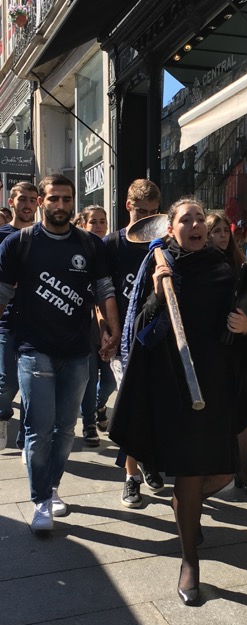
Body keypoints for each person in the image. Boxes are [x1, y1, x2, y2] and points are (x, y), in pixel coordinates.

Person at [109, 196, 247, 605]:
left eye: (199, 219)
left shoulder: (223, 267)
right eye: (185, 220)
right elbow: (142, 326)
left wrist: (246, 326)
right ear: (171, 230)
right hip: (178, 386)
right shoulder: (162, 267)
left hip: (218, 385)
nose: (194, 225)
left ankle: (185, 511)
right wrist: (158, 293)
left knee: (222, 473)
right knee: (191, 474)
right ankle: (190, 560)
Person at [0, 174, 120, 532]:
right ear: (41, 202)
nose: (61, 206)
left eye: (67, 199)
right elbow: (2, 292)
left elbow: (104, 289)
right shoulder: (19, 243)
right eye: (54, 199)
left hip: (77, 351)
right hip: (33, 349)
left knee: (66, 429)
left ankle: (52, 488)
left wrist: (112, 329)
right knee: (38, 429)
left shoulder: (89, 244)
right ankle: (40, 500)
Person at [103, 178, 164, 507]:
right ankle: (131, 476)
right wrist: (106, 329)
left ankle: (148, 459)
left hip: (156, 337)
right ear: (128, 206)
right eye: (141, 211)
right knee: (130, 405)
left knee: (153, 404)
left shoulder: (162, 243)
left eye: (153, 212)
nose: (147, 218)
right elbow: (102, 292)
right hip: (123, 340)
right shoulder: (113, 244)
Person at [206, 210, 247, 497]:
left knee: (242, 413)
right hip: (209, 353)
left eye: (225, 230)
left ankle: (243, 472)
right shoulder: (199, 266)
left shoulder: (241, 266)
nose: (222, 236)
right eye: (216, 231)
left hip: (237, 352)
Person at [74, 205, 117, 444]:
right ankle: (89, 424)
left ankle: (100, 406)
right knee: (89, 379)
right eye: (93, 222)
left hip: (111, 323)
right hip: (88, 326)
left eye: (103, 221)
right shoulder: (81, 252)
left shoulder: (111, 250)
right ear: (83, 224)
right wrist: (101, 327)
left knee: (110, 380)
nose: (99, 226)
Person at [0, 182, 37, 453]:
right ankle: (2, 417)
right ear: (11, 202)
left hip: (36, 321)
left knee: (32, 384)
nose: (28, 204)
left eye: (32, 200)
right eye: (22, 199)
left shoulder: (44, 235)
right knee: (8, 382)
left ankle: (26, 439)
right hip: (5, 319)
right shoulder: (2, 236)